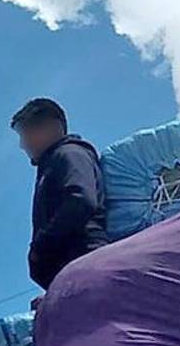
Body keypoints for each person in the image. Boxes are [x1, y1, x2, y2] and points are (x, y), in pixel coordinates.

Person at [11, 97, 108, 290]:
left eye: (26, 133)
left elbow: (81, 200)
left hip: (85, 265)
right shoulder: (52, 164)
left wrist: (41, 246)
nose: (23, 144)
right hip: (71, 273)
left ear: (53, 128)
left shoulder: (69, 153)